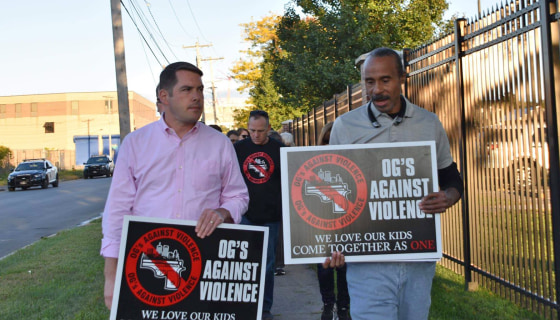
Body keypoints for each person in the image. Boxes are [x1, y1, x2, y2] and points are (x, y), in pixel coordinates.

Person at [324, 47, 463, 320]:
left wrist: (448, 196)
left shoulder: (429, 123)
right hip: (367, 262)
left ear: (402, 78)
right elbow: (334, 191)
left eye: (385, 80)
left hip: (418, 256)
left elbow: (451, 178)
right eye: (369, 81)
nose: (376, 89)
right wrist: (331, 244)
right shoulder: (345, 126)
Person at [100, 61, 249, 310]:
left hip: (205, 266)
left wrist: (223, 212)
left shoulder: (220, 144)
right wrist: (112, 276)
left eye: (200, 90)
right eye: (187, 90)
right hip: (148, 266)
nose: (197, 97)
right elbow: (117, 210)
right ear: (164, 96)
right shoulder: (135, 144)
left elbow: (238, 196)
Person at [234, 110, 284, 320]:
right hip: (245, 213)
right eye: (252, 130)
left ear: (269, 129)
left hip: (271, 215)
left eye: (260, 131)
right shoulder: (237, 149)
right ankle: (246, 306)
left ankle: (264, 309)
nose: (256, 135)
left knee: (267, 265)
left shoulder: (279, 149)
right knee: (244, 263)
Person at [316, 121, 351, 320]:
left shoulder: (349, 161)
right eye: (327, 141)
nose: (330, 145)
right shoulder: (314, 162)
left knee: (345, 267)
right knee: (324, 267)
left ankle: (344, 307)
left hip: (345, 222)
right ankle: (328, 305)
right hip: (320, 224)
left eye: (335, 141)